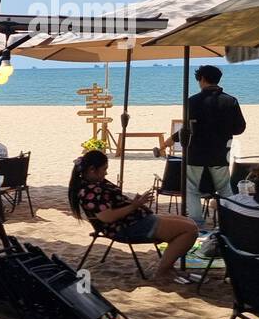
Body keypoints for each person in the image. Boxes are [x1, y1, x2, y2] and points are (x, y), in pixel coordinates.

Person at [68, 149, 198, 284]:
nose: (106, 173)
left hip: (134, 220)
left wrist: (133, 203)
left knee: (189, 223)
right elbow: (107, 217)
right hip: (127, 227)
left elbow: (114, 203)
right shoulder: (90, 191)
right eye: (104, 169)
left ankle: (168, 267)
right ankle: (162, 271)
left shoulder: (94, 183)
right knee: (189, 230)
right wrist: (134, 206)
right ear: (92, 170)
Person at [154, 65, 246, 228]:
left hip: (195, 152)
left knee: (191, 188)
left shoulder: (192, 101)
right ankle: (229, 221)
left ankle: (197, 223)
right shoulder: (230, 101)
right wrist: (223, 129)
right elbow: (240, 128)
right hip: (219, 152)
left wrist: (169, 141)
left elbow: (186, 130)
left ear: (202, 79)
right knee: (224, 189)